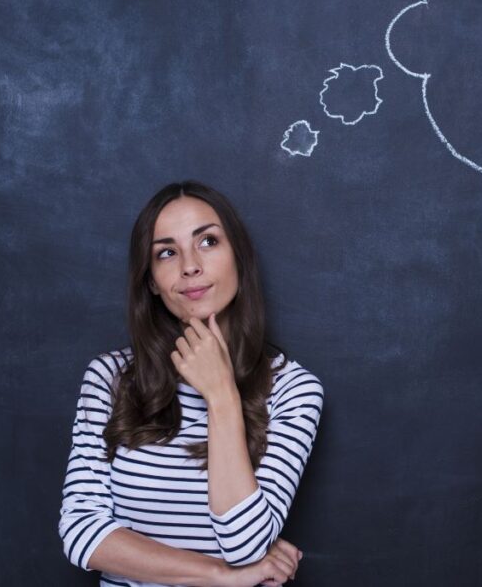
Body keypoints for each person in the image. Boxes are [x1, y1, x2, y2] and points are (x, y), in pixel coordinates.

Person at [59, 181, 324, 587]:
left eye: (208, 242)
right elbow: (81, 535)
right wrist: (219, 575)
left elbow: (246, 546)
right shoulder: (111, 378)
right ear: (151, 281)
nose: (189, 266)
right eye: (166, 252)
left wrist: (220, 395)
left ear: (238, 255)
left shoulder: (293, 390)